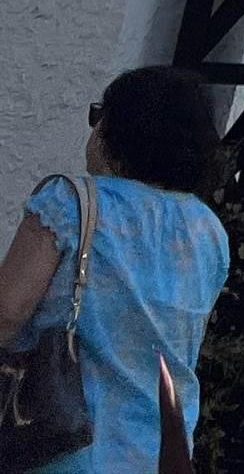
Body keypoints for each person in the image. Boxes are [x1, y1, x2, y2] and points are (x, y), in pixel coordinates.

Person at [0, 68, 231, 474]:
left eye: (98, 115)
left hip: (61, 447)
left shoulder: (68, 203)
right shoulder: (207, 230)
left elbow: (6, 312)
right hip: (160, 453)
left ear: (119, 129)